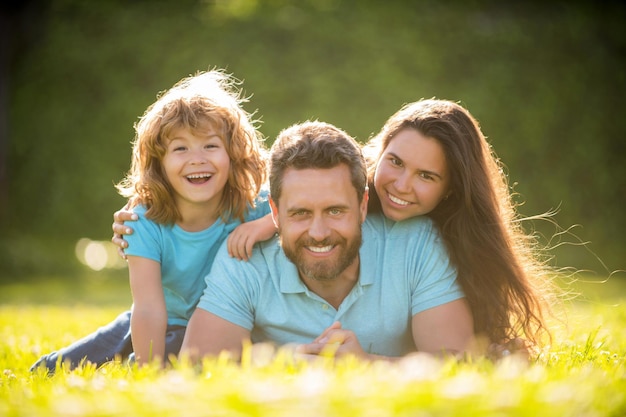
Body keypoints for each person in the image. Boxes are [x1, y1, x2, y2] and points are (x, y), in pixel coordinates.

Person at [30, 69, 275, 373]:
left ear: (233, 155)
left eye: (210, 145)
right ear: (159, 164)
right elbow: (147, 309)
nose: (196, 158)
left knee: (181, 358)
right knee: (56, 368)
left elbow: (300, 212)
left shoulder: (254, 207)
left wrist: (266, 225)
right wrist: (150, 371)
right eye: (180, 148)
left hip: (216, 327)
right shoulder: (144, 221)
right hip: (153, 319)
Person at [179, 120, 474, 362]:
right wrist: (281, 362)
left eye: (335, 211)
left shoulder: (415, 243)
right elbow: (196, 368)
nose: (318, 232)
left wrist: (365, 365)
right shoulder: (244, 257)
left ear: (362, 206)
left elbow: (457, 367)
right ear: (275, 212)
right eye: (301, 213)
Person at [363, 98, 556, 356]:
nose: (401, 185)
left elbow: (454, 356)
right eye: (396, 162)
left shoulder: (458, 242)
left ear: (451, 188)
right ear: (381, 152)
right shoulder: (342, 201)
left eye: (425, 175)